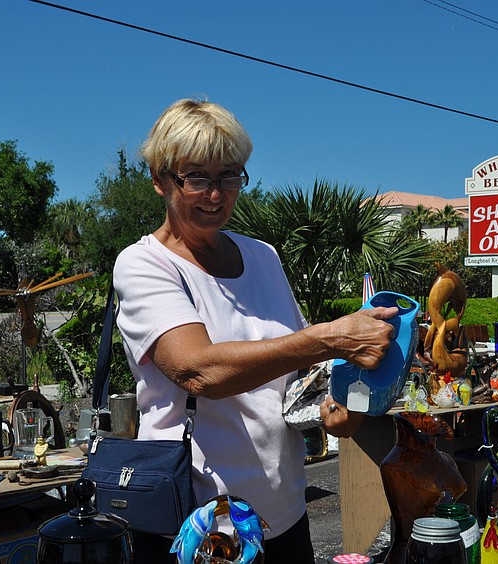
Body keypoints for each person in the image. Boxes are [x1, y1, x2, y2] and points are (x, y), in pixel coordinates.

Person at [113, 99, 397, 564]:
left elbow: (300, 374)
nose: (215, 194)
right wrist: (330, 337)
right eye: (197, 177)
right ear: (160, 179)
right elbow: (199, 372)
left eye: (229, 175)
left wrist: (336, 405)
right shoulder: (145, 264)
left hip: (282, 511)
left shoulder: (263, 256)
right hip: (201, 526)